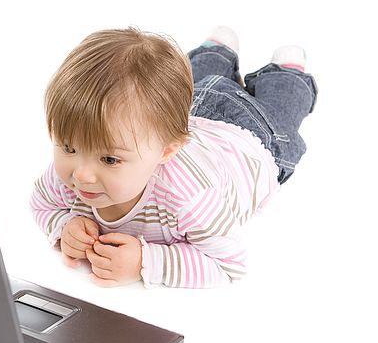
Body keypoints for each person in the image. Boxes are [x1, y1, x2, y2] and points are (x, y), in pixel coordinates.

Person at [29, 26, 318, 288]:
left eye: (109, 160)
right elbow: (42, 204)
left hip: (254, 139)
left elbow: (228, 265)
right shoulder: (73, 171)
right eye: (68, 147)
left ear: (166, 151)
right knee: (192, 84)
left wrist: (145, 262)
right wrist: (64, 226)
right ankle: (216, 51)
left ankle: (285, 72)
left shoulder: (189, 199)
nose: (81, 175)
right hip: (195, 108)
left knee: (281, 106)